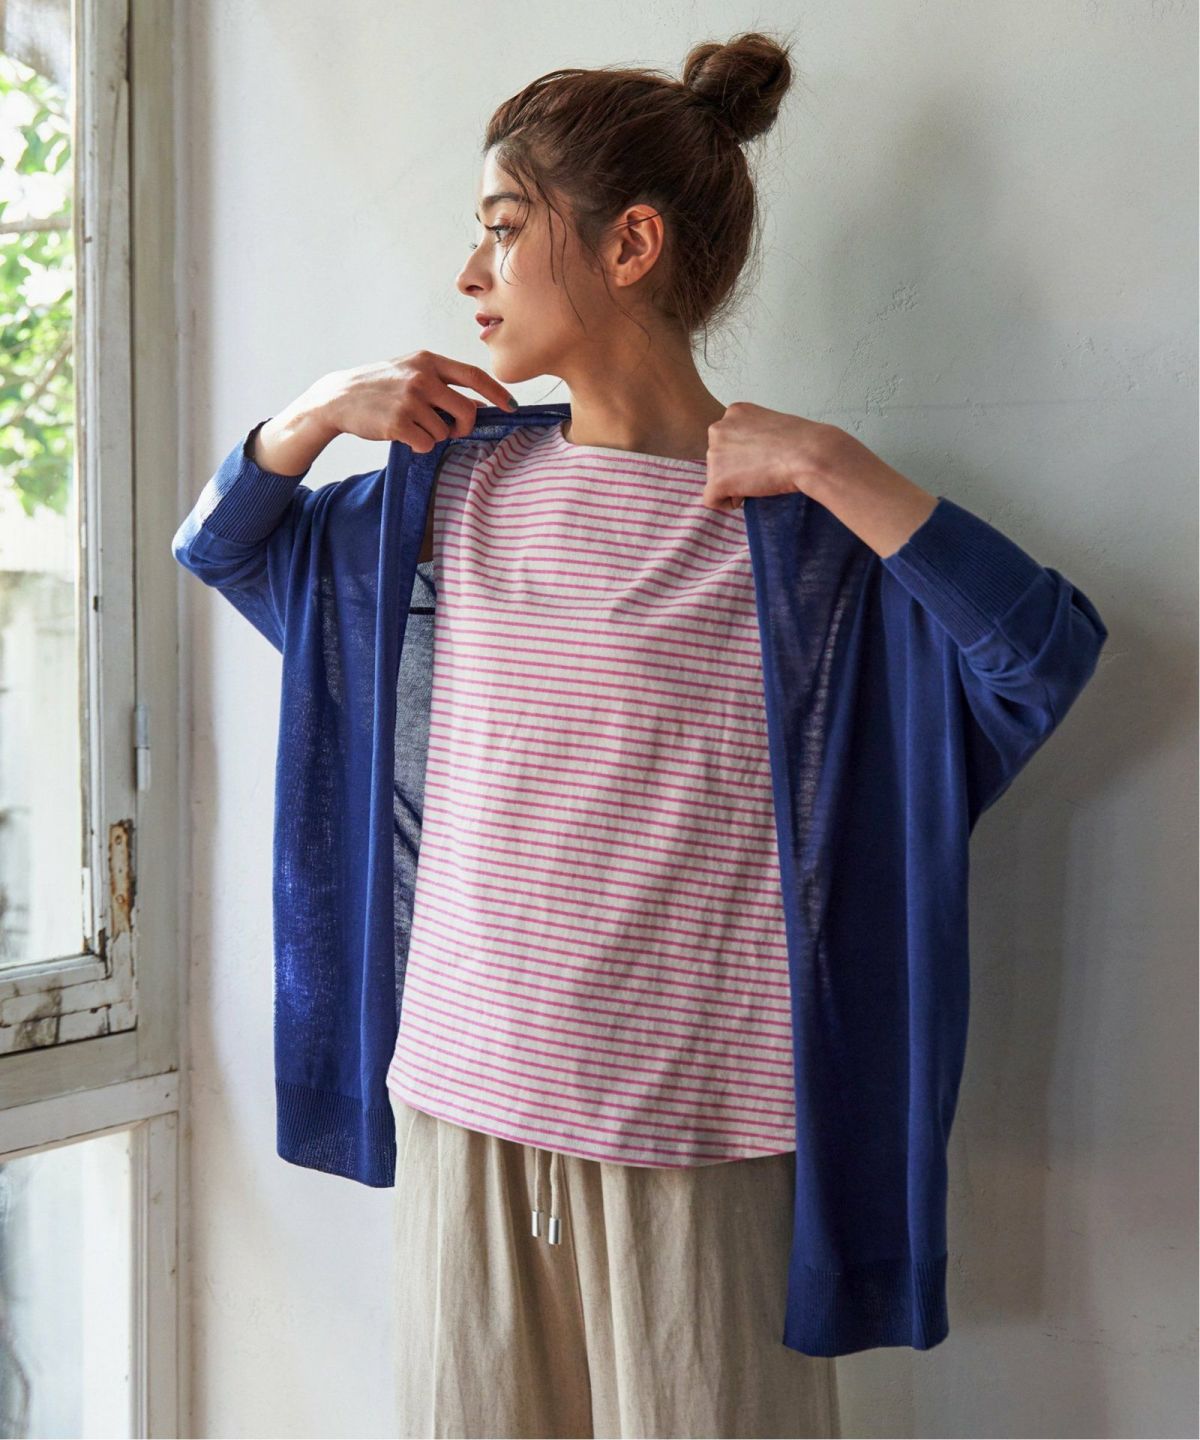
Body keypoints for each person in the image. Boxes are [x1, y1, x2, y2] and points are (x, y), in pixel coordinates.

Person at [174, 27, 1106, 1440]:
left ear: (629, 245)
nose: (470, 273)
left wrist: (833, 463)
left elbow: (1041, 654)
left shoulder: (800, 539)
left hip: (699, 1132)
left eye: (503, 228)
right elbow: (226, 548)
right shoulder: (456, 494)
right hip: (464, 1100)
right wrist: (314, 416)